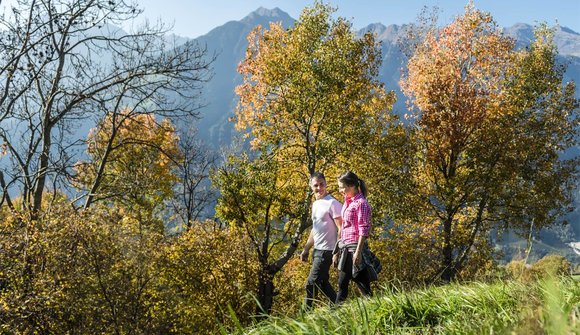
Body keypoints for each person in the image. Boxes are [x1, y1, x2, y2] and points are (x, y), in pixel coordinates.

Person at [300, 172, 343, 308]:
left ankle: (305, 317)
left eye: (321, 184)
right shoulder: (316, 204)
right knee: (323, 283)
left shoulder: (333, 204)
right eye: (315, 185)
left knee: (311, 284)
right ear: (311, 187)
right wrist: (306, 249)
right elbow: (315, 229)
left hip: (327, 251)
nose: (319, 188)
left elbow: (341, 229)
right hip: (317, 250)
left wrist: (337, 252)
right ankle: (339, 307)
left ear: (326, 184)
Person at [334, 171, 373, 304]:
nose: (340, 190)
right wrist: (337, 251)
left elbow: (364, 229)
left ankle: (372, 307)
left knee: (361, 284)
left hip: (355, 248)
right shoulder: (347, 203)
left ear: (351, 185)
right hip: (346, 248)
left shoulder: (361, 204)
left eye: (341, 187)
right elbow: (344, 227)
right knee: (343, 283)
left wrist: (358, 252)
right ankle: (335, 312)